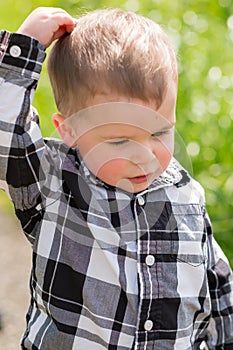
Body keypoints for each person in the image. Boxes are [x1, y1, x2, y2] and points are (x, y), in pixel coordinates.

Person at [0, 6, 232, 350]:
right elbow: (6, 138)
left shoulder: (187, 195)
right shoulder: (52, 183)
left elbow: (217, 287)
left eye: (160, 132)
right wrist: (24, 48)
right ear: (71, 130)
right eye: (119, 140)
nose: (144, 155)